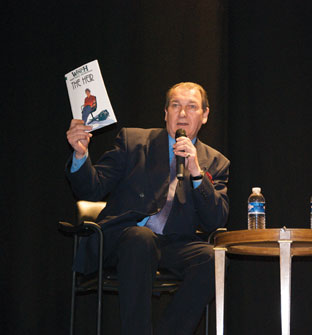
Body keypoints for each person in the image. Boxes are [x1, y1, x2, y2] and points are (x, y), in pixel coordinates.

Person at [66, 82, 230, 335]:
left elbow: (214, 221)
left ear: (205, 115)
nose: (183, 114)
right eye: (176, 106)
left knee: (213, 259)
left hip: (173, 243)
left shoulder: (215, 162)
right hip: (124, 239)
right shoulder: (133, 141)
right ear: (165, 113)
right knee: (140, 238)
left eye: (192, 107)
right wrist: (80, 156)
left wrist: (197, 172)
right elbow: (92, 188)